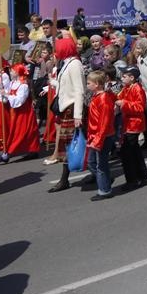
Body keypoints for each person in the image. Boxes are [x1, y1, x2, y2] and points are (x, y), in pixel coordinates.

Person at [44, 37, 85, 192]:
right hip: (66, 108)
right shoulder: (68, 62)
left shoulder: (75, 64)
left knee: (74, 143)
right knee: (70, 145)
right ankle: (66, 178)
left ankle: (65, 179)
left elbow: (79, 90)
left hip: (72, 109)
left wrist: (78, 115)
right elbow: (66, 85)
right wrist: (54, 82)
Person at [115, 67, 147, 191]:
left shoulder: (137, 89)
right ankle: (142, 175)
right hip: (127, 123)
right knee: (135, 151)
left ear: (132, 78)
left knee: (127, 152)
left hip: (134, 124)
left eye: (124, 76)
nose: (122, 78)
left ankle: (132, 180)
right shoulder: (126, 88)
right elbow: (118, 97)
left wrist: (124, 104)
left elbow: (140, 107)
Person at [85, 70, 116, 200]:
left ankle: (104, 190)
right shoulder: (97, 97)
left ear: (97, 84)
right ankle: (106, 180)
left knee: (101, 164)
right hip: (95, 135)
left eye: (89, 83)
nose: (87, 85)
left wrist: (98, 140)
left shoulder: (103, 99)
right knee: (91, 162)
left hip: (103, 136)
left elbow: (104, 122)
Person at [1, 63, 41, 162]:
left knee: (22, 132)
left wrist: (7, 95)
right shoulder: (12, 83)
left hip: (23, 113)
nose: (10, 72)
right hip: (14, 112)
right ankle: (11, 151)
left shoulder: (23, 85)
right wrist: (3, 93)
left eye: (12, 70)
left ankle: (10, 152)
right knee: (15, 132)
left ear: (17, 72)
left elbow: (20, 100)